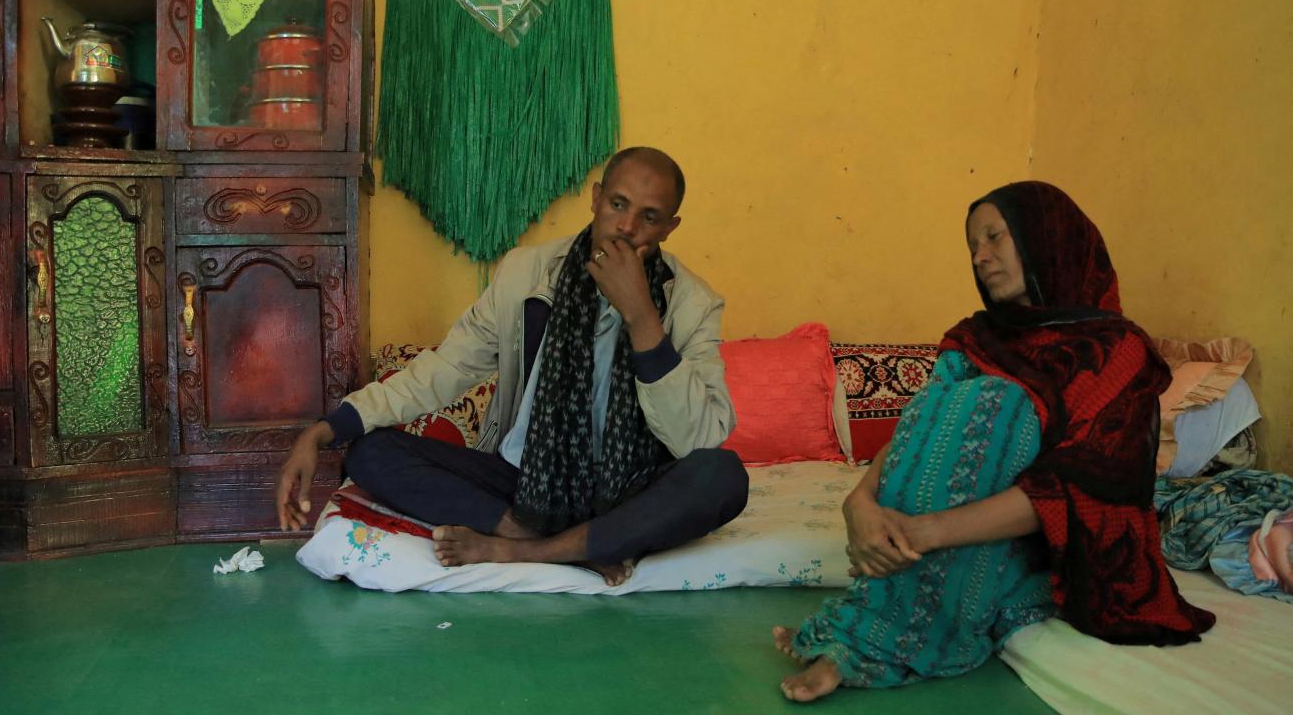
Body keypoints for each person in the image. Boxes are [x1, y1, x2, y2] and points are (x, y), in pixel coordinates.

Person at [773, 181, 1215, 702]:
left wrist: (926, 532)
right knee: (947, 398)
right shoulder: (975, 337)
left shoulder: (1116, 350)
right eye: (972, 247)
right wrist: (861, 502)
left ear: (1044, 238)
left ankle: (875, 638)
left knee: (995, 406)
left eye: (994, 237)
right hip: (956, 529)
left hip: (1063, 546)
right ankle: (887, 614)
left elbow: (1077, 487)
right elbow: (916, 432)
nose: (981, 257)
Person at [275, 147, 748, 585]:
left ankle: (535, 550)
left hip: (631, 489)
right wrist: (322, 431)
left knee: (723, 475)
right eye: (618, 205)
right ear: (596, 199)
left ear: (670, 227)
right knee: (370, 453)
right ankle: (538, 537)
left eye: (649, 217)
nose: (627, 228)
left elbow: (698, 439)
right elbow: (444, 370)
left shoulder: (693, 303)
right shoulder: (527, 273)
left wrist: (642, 316)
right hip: (527, 482)